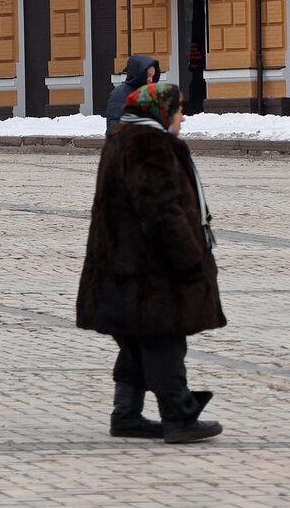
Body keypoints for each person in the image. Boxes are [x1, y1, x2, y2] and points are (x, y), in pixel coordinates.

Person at [77, 80, 223, 443]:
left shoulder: (122, 138)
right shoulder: (148, 145)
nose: (182, 118)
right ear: (160, 113)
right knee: (164, 342)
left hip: (121, 269)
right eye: (178, 110)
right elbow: (162, 210)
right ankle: (179, 416)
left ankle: (126, 414)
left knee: (136, 342)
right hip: (148, 272)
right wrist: (189, 259)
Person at [104, 54, 158, 130]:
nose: (151, 80)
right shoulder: (120, 94)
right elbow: (115, 125)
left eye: (152, 76)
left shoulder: (149, 94)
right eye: (148, 75)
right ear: (139, 73)